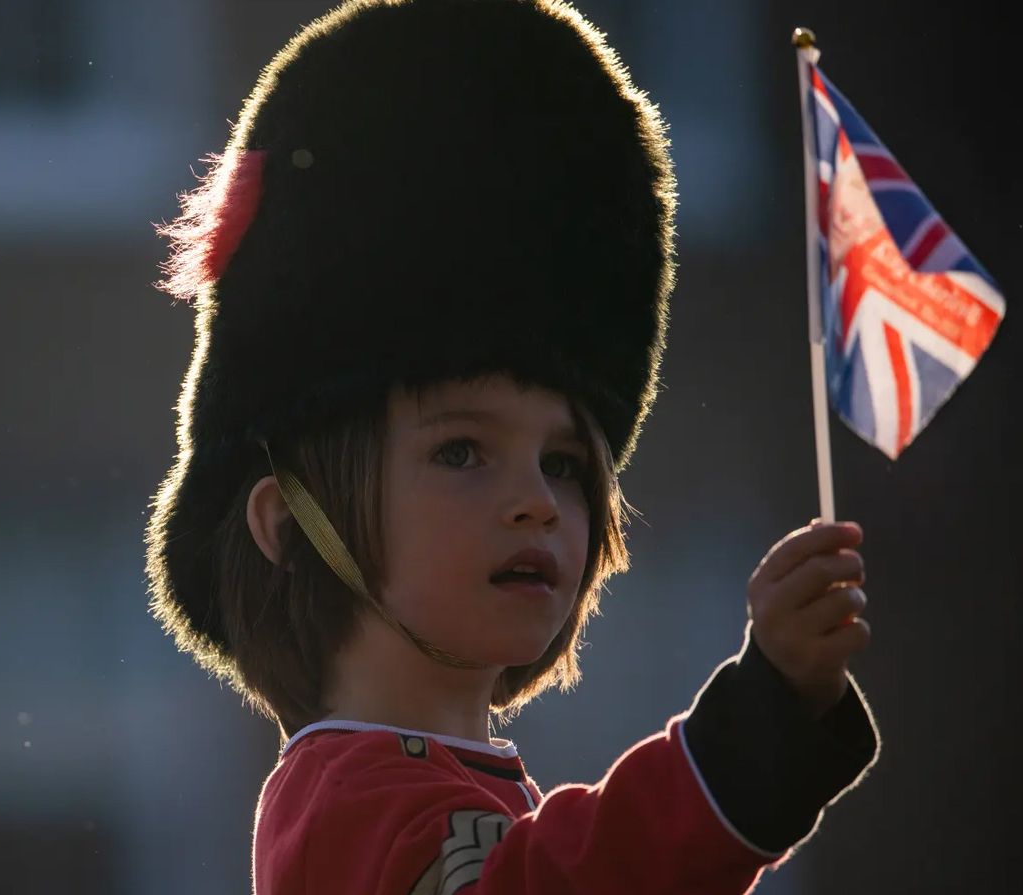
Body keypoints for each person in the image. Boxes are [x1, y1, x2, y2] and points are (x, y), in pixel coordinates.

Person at [142, 1, 880, 893]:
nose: (536, 500)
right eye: (461, 452)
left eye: (565, 464)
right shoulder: (344, 803)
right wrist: (748, 734)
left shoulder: (451, 790)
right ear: (287, 523)